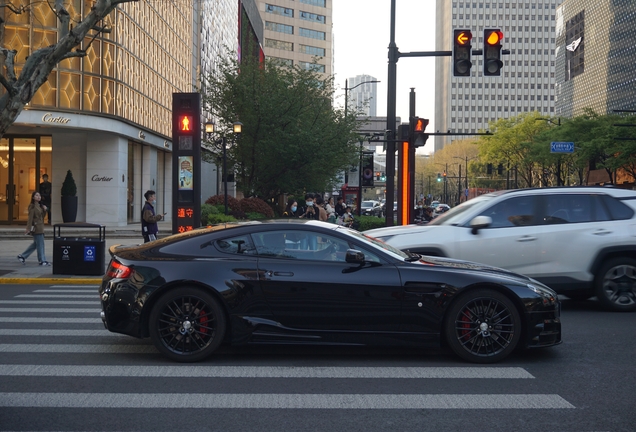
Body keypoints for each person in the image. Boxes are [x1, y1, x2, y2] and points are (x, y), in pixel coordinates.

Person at [17, 191, 50, 266]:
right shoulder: (32, 206)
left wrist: (45, 210)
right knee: (40, 244)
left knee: (36, 244)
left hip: (41, 226)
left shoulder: (40, 205)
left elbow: (42, 217)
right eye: (37, 195)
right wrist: (28, 228)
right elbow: (30, 218)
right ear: (33, 197)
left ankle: (22, 256)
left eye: (39, 195)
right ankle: (42, 260)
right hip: (36, 227)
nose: (39, 197)